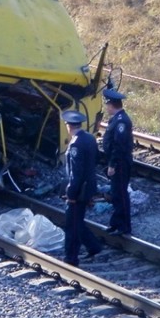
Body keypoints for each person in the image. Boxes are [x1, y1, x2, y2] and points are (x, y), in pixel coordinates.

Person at [60, 110, 102, 266]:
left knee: (72, 224)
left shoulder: (76, 143)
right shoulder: (90, 138)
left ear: (68, 126)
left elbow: (75, 173)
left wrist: (70, 193)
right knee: (77, 221)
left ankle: (70, 258)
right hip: (89, 186)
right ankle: (93, 246)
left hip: (79, 190)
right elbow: (96, 159)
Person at [102, 88, 133, 236]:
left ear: (111, 105)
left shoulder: (121, 122)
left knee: (120, 194)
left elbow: (119, 146)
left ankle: (124, 226)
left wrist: (112, 165)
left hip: (120, 163)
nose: (106, 107)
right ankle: (116, 223)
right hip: (117, 162)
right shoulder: (116, 119)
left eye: (107, 104)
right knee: (116, 194)